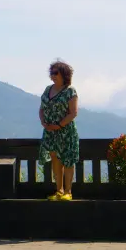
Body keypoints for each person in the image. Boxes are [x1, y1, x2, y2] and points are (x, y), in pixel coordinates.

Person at [39, 59, 80, 201]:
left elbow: (73, 112)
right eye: (51, 73)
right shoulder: (47, 89)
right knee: (55, 159)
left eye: (56, 73)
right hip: (50, 132)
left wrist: (60, 125)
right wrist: (43, 121)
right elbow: (42, 108)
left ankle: (68, 192)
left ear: (64, 74)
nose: (53, 75)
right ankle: (59, 191)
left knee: (68, 160)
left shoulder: (70, 91)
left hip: (66, 132)